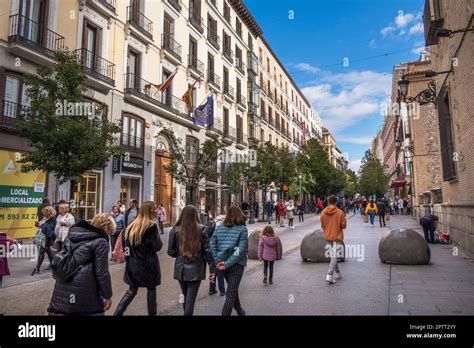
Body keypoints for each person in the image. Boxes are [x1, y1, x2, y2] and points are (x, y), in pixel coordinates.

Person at [47, 213, 115, 315]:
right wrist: (107, 296)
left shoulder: (72, 234)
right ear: (108, 227)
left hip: (63, 285)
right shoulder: (101, 242)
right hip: (86, 291)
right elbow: (102, 272)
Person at [114, 201, 163, 316]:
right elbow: (157, 247)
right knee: (151, 290)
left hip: (133, 266)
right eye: (154, 209)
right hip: (149, 266)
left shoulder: (130, 227)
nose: (156, 211)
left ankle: (117, 313)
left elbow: (126, 248)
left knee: (131, 291)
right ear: (149, 211)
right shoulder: (152, 227)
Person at [167, 205, 217, 316]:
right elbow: (208, 251)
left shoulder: (174, 230)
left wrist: (181, 255)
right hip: (196, 268)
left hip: (181, 268)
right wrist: (212, 267)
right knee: (190, 299)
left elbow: (170, 251)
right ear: (195, 215)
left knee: (185, 296)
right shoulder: (202, 229)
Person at [210, 206, 248, 316]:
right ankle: (237, 311)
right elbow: (240, 250)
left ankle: (240, 311)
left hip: (223, 264)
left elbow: (212, 245)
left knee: (232, 289)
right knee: (231, 293)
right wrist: (226, 263)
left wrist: (219, 260)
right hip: (236, 265)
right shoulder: (242, 229)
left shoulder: (219, 228)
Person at [320, 195, 347, 284]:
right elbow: (343, 225)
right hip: (338, 236)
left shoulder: (323, 212)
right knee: (334, 255)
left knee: (333, 255)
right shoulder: (340, 212)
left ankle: (338, 273)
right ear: (335, 202)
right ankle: (329, 274)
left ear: (328, 202)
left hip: (327, 235)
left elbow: (322, 225)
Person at [32, 206, 57, 275]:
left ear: (50, 212)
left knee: (42, 252)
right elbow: (42, 227)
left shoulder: (53, 219)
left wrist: (42, 225)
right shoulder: (44, 218)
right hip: (42, 237)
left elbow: (50, 228)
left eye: (45, 212)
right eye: (43, 212)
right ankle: (53, 265)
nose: (44, 213)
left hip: (47, 238)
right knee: (48, 251)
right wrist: (38, 225)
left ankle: (37, 268)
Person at [205, 217, 226, 296]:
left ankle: (211, 289)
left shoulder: (210, 227)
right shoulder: (220, 228)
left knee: (212, 271)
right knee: (220, 271)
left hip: (210, 252)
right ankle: (222, 290)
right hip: (218, 252)